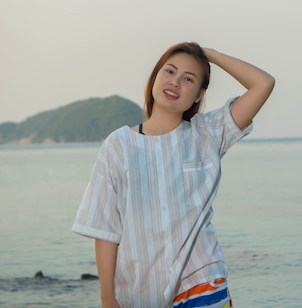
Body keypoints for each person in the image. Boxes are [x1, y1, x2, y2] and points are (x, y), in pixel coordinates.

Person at [72, 42, 275, 308]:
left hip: (202, 282)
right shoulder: (118, 145)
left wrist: (208, 55)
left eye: (188, 79)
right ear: (155, 77)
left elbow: (264, 83)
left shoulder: (207, 134)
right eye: (169, 72)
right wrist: (107, 297)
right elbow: (106, 228)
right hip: (140, 294)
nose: (175, 82)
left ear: (199, 94)